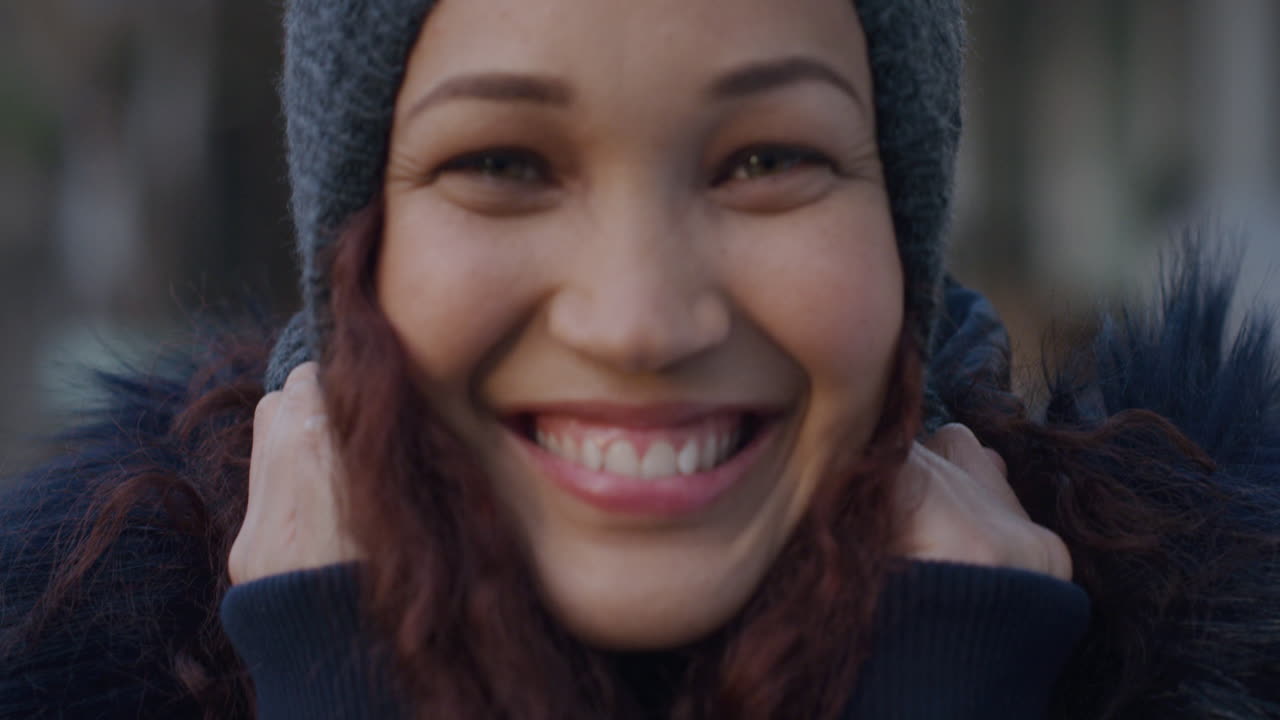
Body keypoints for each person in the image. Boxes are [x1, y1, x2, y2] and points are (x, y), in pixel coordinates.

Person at [2, 0, 1278, 718]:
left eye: (765, 160)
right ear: (358, 248)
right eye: (503, 163)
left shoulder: (1199, 650)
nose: (639, 322)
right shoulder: (76, 665)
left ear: (900, 227)